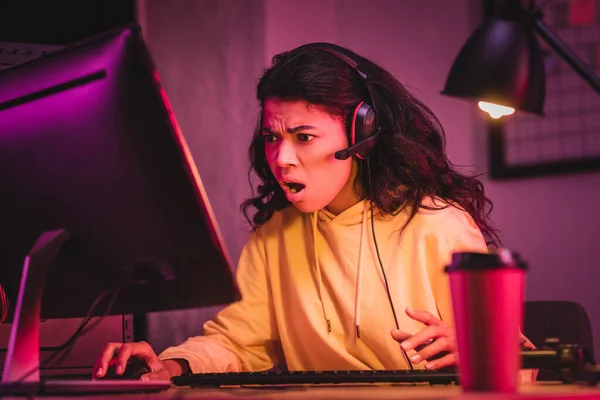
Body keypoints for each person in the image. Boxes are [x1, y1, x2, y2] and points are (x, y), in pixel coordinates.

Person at [93, 42, 535, 381]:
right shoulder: (275, 237)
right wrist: (172, 365)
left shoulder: (439, 228)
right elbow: (238, 341)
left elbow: (519, 367)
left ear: (364, 135)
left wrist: (479, 349)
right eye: (271, 137)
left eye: (304, 137)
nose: (281, 157)